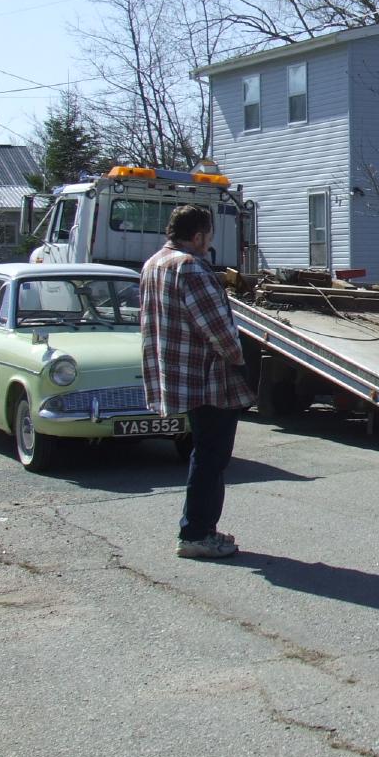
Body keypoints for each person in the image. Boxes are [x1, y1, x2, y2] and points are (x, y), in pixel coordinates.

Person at [141, 204, 256, 557]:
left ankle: (198, 529)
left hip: (177, 374)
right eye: (208, 236)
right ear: (198, 236)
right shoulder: (190, 268)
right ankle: (196, 534)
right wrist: (241, 361)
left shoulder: (153, 263)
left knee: (202, 454)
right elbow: (219, 331)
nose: (209, 243)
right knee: (211, 458)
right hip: (208, 380)